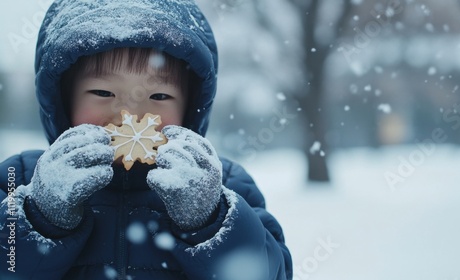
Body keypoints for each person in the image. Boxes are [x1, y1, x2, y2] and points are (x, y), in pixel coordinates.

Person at [0, 0, 293, 279]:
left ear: (189, 108)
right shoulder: (21, 176)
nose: (131, 113)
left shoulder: (223, 183)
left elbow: (266, 274)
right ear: (64, 102)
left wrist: (209, 223)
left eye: (159, 96)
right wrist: (41, 218)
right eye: (104, 93)